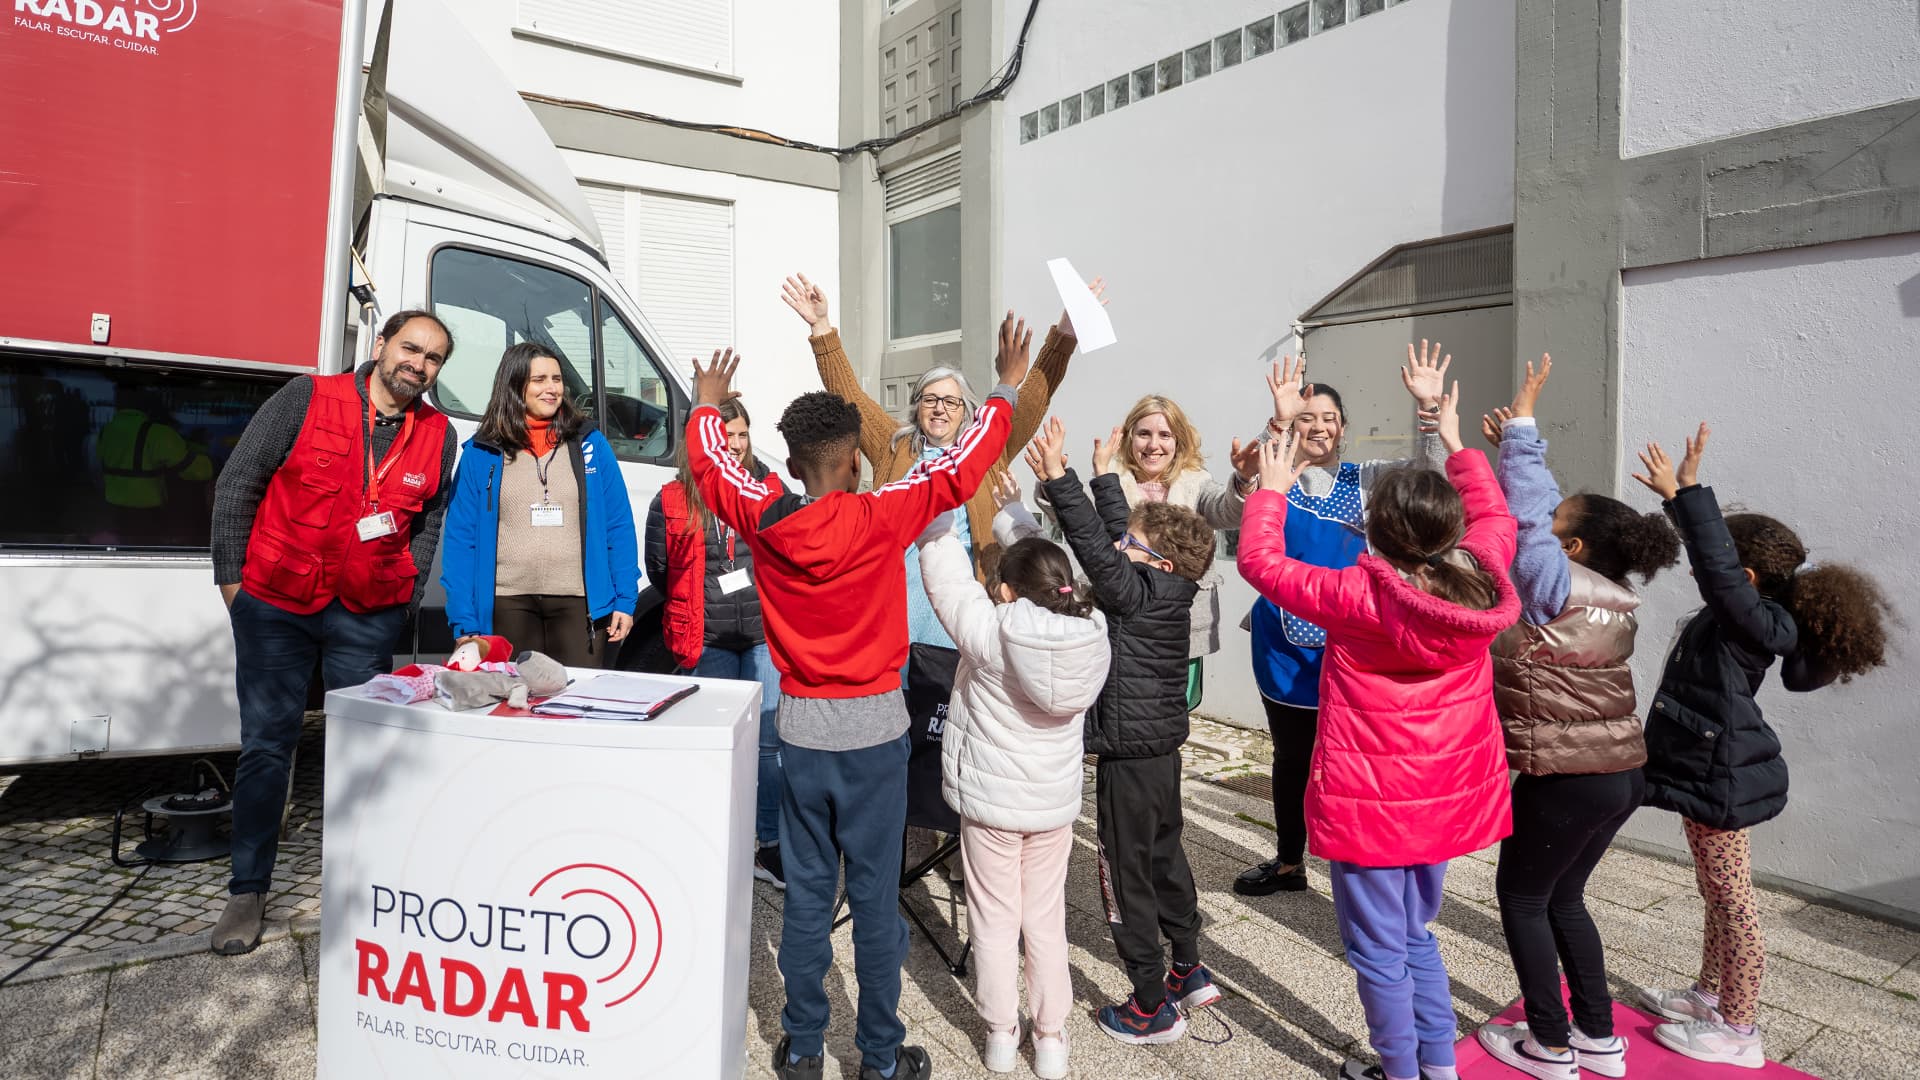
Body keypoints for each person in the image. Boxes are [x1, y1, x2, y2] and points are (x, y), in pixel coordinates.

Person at [684, 312, 1034, 1080]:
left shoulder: (767, 514)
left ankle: (804, 1049)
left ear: (796, 459)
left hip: (804, 734)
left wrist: (706, 404)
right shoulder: (883, 515)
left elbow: (712, 469)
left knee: (809, 898)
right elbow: (961, 467)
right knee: (876, 901)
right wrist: (1004, 385)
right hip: (876, 734)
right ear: (852, 463)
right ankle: (880, 1056)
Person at [1236, 380, 1520, 1080]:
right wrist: (1456, 440)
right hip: (1444, 803)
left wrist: (1271, 487)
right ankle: (1439, 1067)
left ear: (1380, 531)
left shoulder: (1358, 596)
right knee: (1416, 933)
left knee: (1378, 953)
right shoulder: (1479, 578)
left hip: (1370, 807)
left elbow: (1260, 565)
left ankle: (1400, 1071)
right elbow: (1497, 519)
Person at [1628, 424, 1889, 1070]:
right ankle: (1709, 995)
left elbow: (1718, 568)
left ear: (1743, 577)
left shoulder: (1755, 622)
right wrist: (1685, 500)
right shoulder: (1747, 613)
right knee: (1715, 893)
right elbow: (1721, 568)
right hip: (1707, 769)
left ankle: (1740, 1030)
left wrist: (1688, 494)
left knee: (1734, 904)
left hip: (1722, 775)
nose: (1698, 569)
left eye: (1713, 566)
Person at [208, 309, 459, 956]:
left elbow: (428, 521)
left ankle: (361, 882)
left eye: (433, 359)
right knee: (268, 745)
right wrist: (235, 590)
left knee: (363, 749)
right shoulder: (306, 397)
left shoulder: (438, 434)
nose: (419, 365)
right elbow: (239, 485)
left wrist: (406, 589)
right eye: (410, 348)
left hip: (366, 611)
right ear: (380, 345)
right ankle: (248, 888)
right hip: (277, 605)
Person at [1472, 357, 1681, 1080]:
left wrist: (1524, 429)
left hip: (1568, 778)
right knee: (1565, 898)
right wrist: (1507, 454)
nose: (1542, 525)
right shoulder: (1614, 596)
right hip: (1622, 775)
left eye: (1557, 527)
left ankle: (1551, 1044)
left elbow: (1528, 516)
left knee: (1522, 898)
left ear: (1572, 548)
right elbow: (1529, 516)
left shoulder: (1549, 587)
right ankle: (1597, 1035)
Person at [1026, 416, 1225, 1046]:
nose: (1120, 552)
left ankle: (1148, 1004)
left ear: (1151, 560)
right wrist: (1107, 475)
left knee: (1125, 873)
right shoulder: (1165, 586)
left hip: (1126, 760)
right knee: (1166, 854)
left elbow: (1094, 546)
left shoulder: (1132, 593)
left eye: (1130, 549)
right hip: (1162, 750)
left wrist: (1060, 476)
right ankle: (1188, 967)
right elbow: (1118, 536)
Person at [1236, 345, 1450, 896]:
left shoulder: (1371, 479)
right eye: (1307, 419)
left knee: (1351, 763)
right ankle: (1288, 862)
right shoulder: (1274, 478)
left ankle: (1359, 864)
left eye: (1330, 418)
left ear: (1345, 427)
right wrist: (1278, 421)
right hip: (1284, 645)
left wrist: (1429, 411)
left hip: (1354, 646)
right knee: (1291, 758)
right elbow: (1249, 506)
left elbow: (1429, 474)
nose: (1320, 428)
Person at [917, 510, 1109, 1079]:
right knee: (1045, 922)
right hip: (1051, 808)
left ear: (1004, 591)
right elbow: (1047, 575)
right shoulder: (1091, 631)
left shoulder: (991, 630)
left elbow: (947, 579)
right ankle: (1052, 1040)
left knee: (994, 922)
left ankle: (1002, 1034)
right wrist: (1012, 524)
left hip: (992, 807)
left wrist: (937, 518)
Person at [643, 395, 788, 888]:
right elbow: (661, 570)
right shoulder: (672, 498)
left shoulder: (769, 487)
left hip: (763, 635)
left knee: (769, 746)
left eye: (743, 436)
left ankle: (770, 845)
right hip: (706, 637)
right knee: (714, 746)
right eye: (725, 439)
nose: (736, 447)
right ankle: (713, 839)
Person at [440, 342, 639, 667]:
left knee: (576, 705)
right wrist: (464, 618)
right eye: (540, 380)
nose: (552, 388)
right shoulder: (482, 452)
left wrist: (625, 599)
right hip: (505, 603)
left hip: (580, 605)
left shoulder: (590, 444)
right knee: (515, 706)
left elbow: (618, 526)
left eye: (557, 379)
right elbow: (461, 541)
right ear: (515, 385)